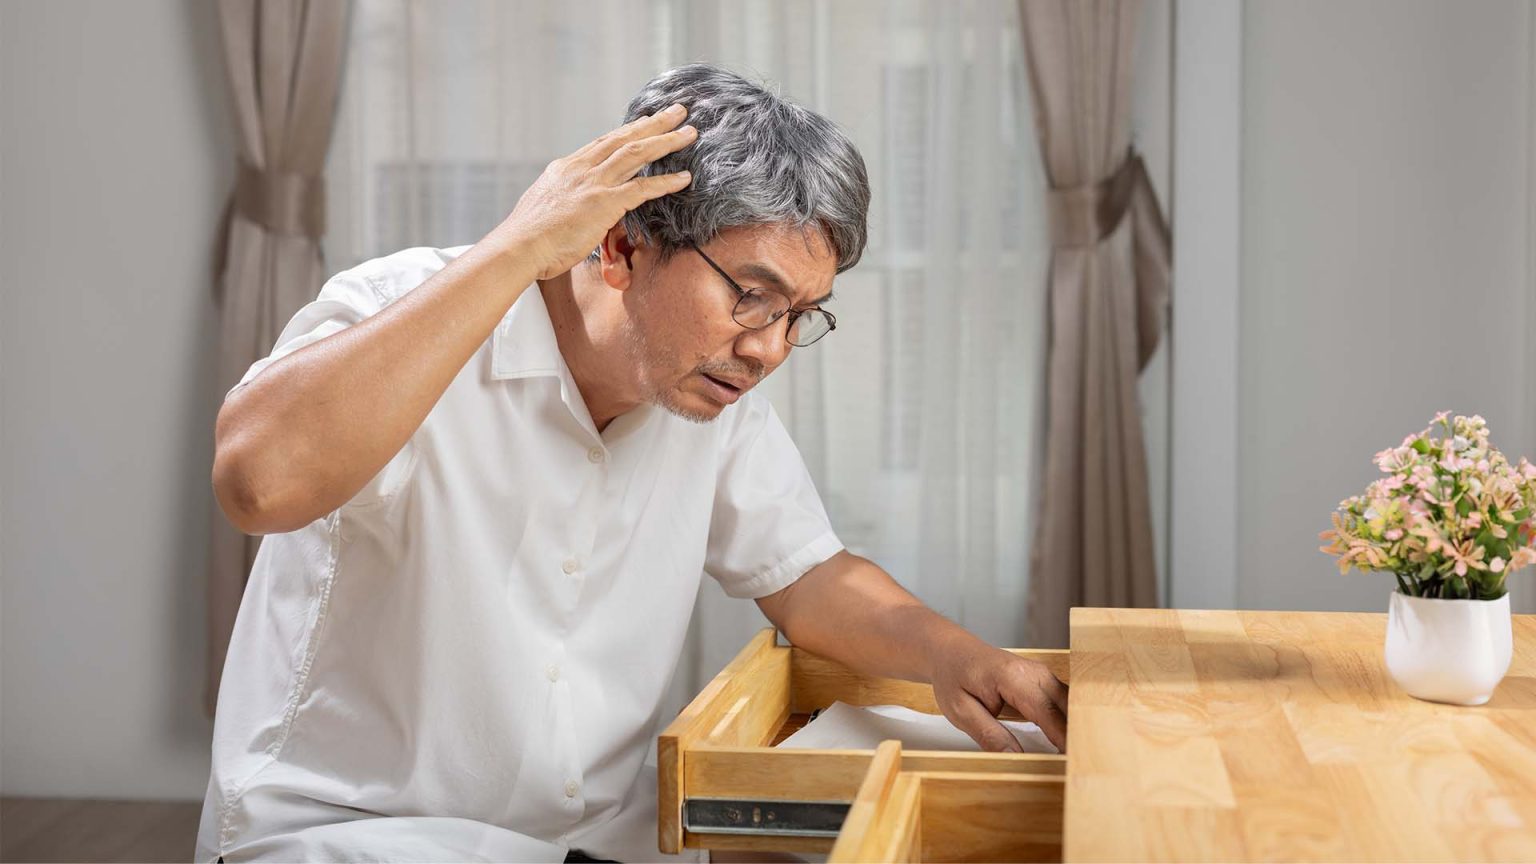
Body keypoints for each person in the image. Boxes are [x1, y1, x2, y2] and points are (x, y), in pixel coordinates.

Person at [196, 63, 1067, 863]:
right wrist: (517, 245)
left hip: (593, 844)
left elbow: (808, 576)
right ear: (621, 246)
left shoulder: (713, 398)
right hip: (351, 836)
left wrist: (958, 654)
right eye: (750, 295)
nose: (768, 349)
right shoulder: (404, 313)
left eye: (801, 314)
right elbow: (257, 482)